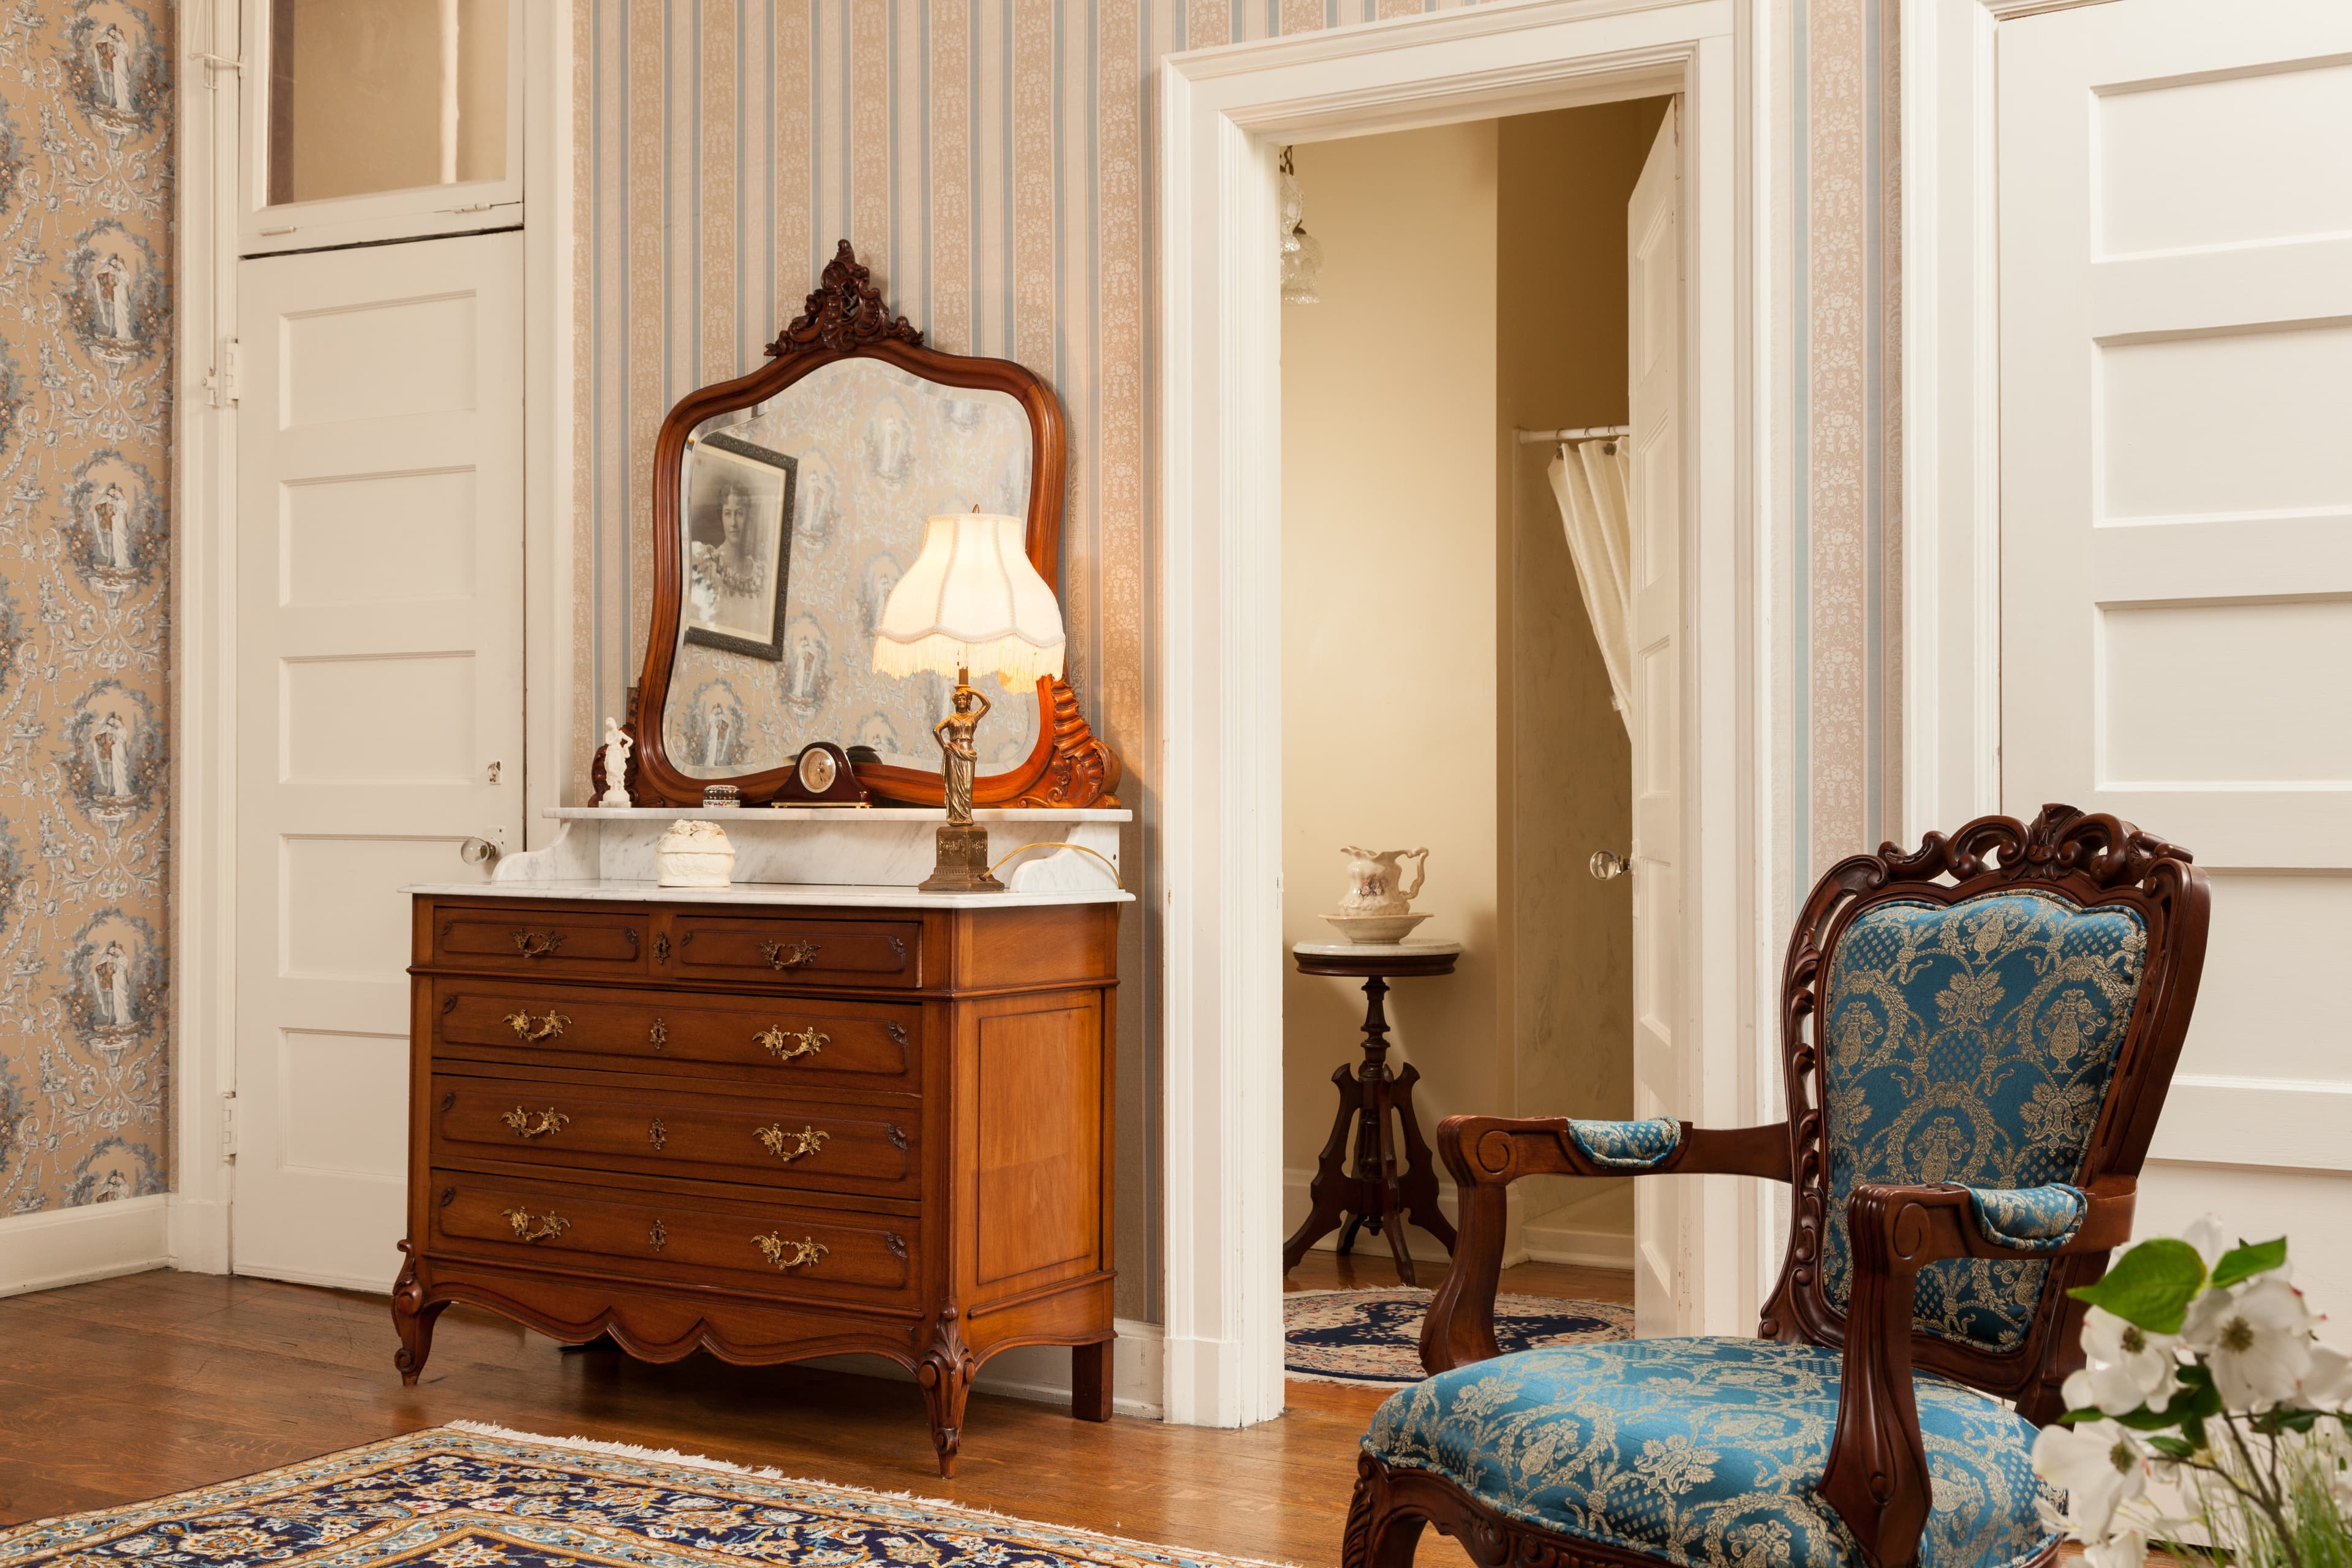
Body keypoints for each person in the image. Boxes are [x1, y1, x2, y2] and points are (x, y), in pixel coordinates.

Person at [932, 677, 991, 823]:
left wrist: (971, 691)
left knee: (966, 786)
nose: (962, 702)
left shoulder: (973, 718)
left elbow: (987, 705)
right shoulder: (952, 718)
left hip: (968, 753)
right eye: (959, 699)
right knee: (953, 786)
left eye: (964, 699)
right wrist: (944, 746)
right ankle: (955, 817)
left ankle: (966, 817)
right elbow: (936, 730)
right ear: (956, 702)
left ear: (968, 701)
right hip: (953, 753)